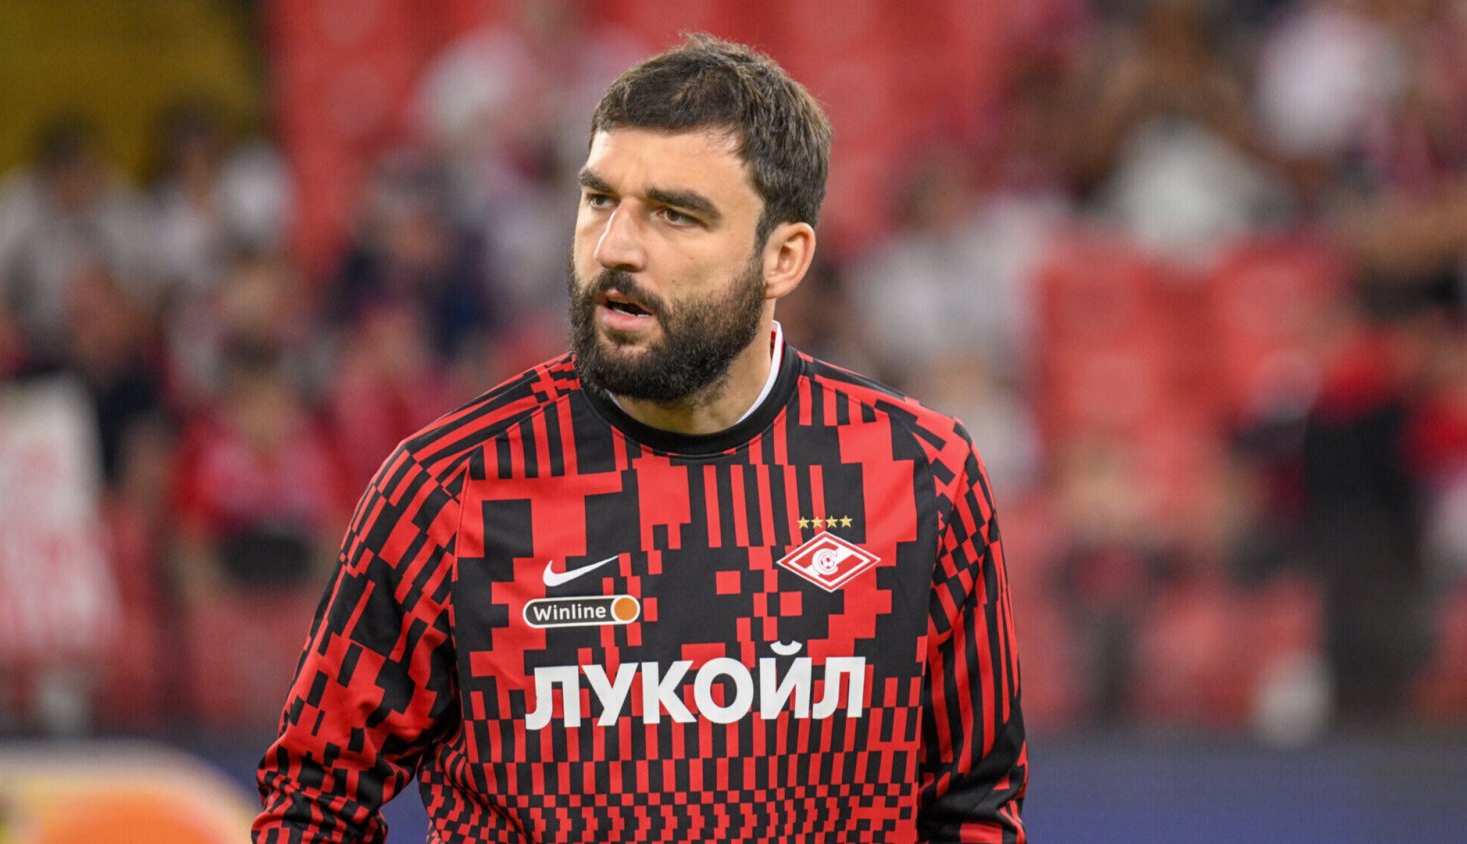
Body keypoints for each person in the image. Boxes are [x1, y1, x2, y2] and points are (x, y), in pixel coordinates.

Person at [254, 34, 1027, 842]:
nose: (615, 247)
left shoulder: (920, 476)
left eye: (674, 214)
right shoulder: (448, 491)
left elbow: (974, 807)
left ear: (783, 258)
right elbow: (313, 802)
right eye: (600, 200)